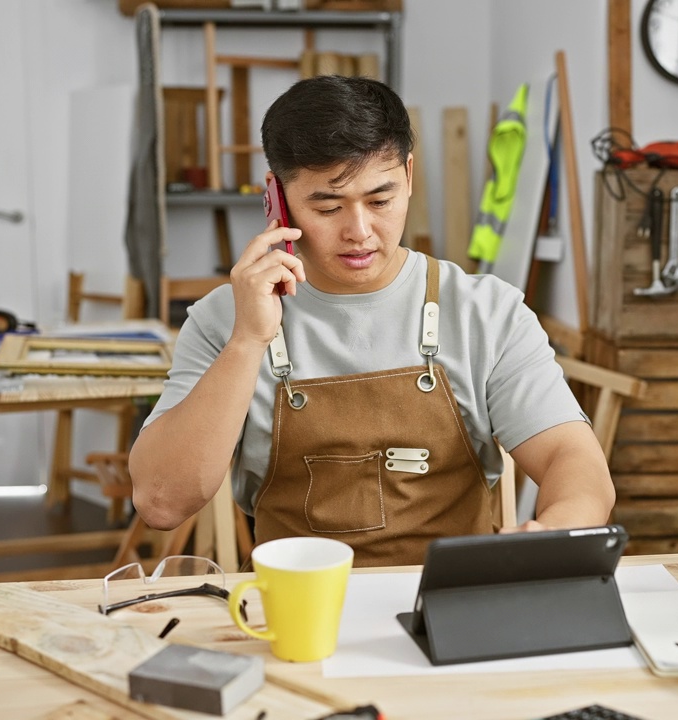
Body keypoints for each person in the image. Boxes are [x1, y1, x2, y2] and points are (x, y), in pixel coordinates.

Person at [129, 75, 615, 567]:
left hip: (453, 606)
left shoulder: (486, 313)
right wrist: (247, 341)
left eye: (380, 201)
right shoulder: (224, 320)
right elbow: (161, 502)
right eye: (328, 205)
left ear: (408, 175)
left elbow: (573, 462)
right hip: (297, 613)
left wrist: (555, 530)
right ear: (274, 197)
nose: (359, 232)